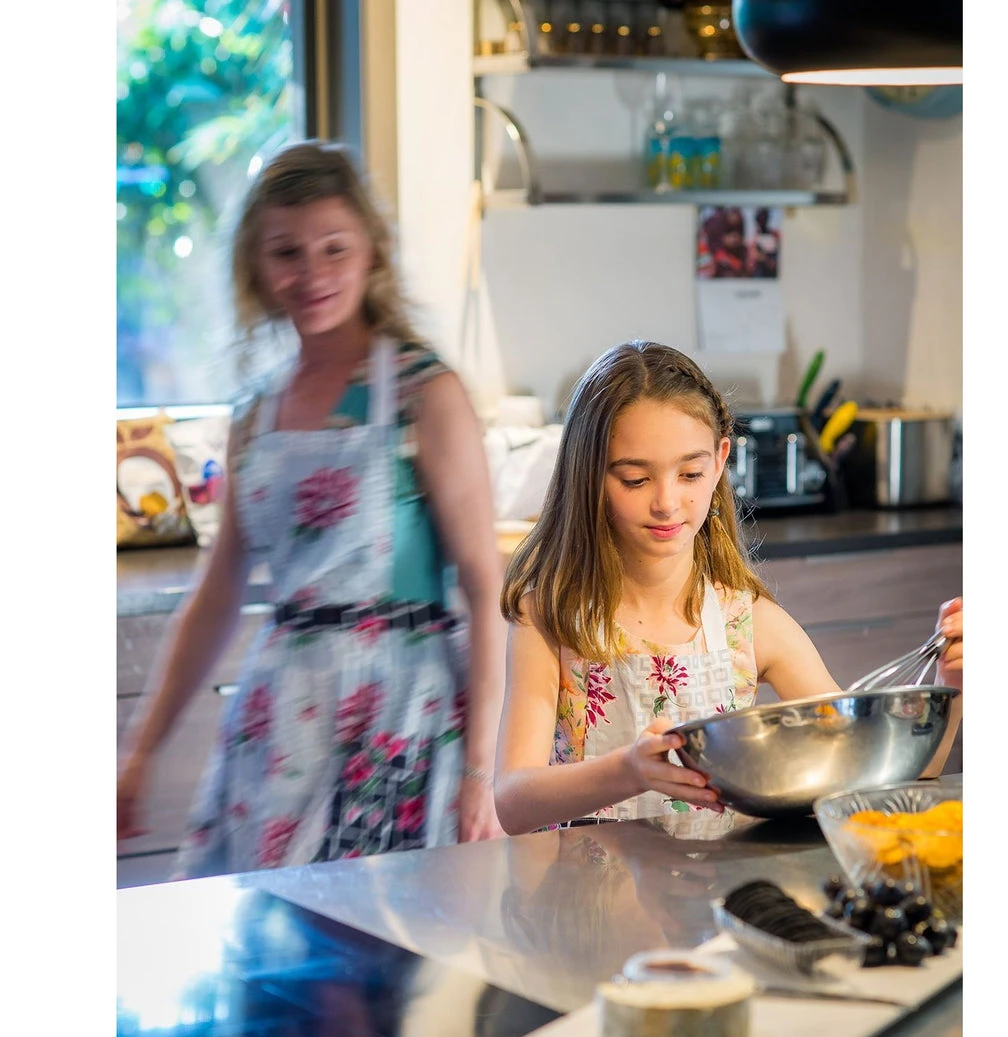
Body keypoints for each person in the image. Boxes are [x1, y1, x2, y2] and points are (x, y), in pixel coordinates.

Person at [116, 141, 506, 876]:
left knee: (380, 931)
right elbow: (217, 596)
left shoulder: (425, 393)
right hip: (280, 721)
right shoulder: (255, 415)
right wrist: (140, 751)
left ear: (371, 252)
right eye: (286, 253)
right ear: (256, 267)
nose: (313, 274)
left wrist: (482, 775)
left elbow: (485, 592)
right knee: (268, 932)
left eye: (334, 248)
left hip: (400, 716)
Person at [494, 340, 963, 836]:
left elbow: (871, 776)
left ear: (720, 461)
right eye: (635, 479)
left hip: (714, 885)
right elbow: (514, 802)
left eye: (690, 474)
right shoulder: (552, 618)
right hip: (583, 886)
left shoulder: (751, 624)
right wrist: (628, 770)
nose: (667, 502)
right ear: (587, 474)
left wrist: (952, 685)